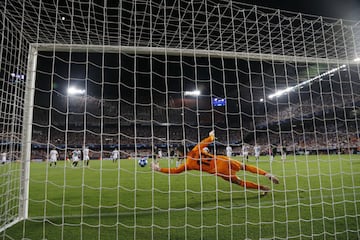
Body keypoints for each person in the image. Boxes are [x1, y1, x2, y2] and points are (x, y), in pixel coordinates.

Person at [151, 131, 279, 195]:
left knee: (239, 182)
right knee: (245, 166)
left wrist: (158, 169)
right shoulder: (196, 148)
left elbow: (175, 171)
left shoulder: (188, 164)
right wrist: (211, 135)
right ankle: (266, 174)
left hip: (220, 170)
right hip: (223, 159)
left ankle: (262, 188)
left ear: (180, 153)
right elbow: (207, 141)